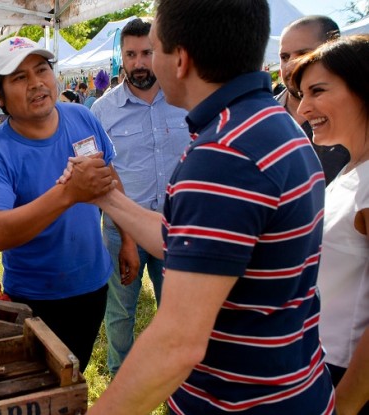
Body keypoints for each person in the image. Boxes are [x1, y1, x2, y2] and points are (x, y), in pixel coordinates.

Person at [74, 0, 334, 413]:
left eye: (154, 48)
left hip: (240, 402)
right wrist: (106, 196)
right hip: (290, 386)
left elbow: (177, 342)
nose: (147, 62)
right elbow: (185, 242)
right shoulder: (270, 123)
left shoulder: (224, 155)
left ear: (180, 60)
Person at [0, 36, 139, 372]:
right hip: (35, 298)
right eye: (19, 78)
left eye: (41, 71)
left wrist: (130, 240)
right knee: (43, 384)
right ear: (0, 96)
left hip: (92, 285)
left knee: (74, 375)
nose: (36, 84)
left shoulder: (81, 116)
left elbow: (110, 178)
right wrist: (67, 193)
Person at [89, 17, 191, 377]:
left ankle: (174, 377)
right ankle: (121, 375)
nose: (139, 63)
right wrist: (129, 236)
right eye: (130, 54)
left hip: (179, 229)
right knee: (120, 311)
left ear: (158, 51)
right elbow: (100, 179)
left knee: (177, 311)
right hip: (122, 230)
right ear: (121, 57)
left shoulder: (185, 99)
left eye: (146, 52)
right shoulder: (102, 111)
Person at [292, 34, 369, 415]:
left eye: (317, 91)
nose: (303, 108)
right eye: (302, 95)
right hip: (321, 361)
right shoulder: (352, 168)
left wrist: (347, 404)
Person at [277, 15, 350, 185]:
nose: (290, 65)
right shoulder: (259, 115)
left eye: (304, 54)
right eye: (285, 57)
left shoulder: (355, 118)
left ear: (333, 52)